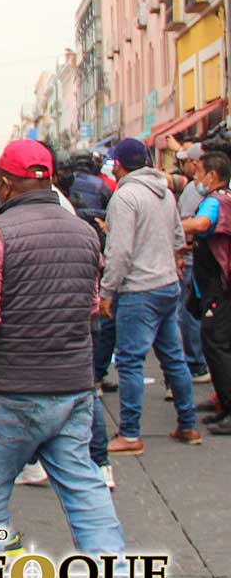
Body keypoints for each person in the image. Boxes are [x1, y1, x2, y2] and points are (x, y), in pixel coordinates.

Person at [0, 140, 140, 578]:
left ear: (6, 183)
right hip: (73, 385)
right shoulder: (85, 232)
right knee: (83, 484)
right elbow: (90, 305)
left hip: (14, 386)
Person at [100, 138, 201, 455]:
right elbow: (178, 239)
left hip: (138, 288)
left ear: (119, 165)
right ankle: (188, 425)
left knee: (130, 361)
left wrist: (106, 290)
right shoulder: (165, 193)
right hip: (167, 284)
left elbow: (120, 252)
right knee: (174, 358)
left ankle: (130, 434)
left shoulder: (125, 196)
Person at [181, 150, 231, 436]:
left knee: (216, 343)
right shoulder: (224, 198)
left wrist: (171, 224)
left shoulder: (214, 201)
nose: (195, 178)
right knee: (216, 342)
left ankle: (228, 407)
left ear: (212, 176)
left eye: (199, 172)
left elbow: (202, 224)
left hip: (218, 287)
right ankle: (223, 403)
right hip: (216, 285)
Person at [175, 142, 212, 384]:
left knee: (189, 311)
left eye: (189, 163)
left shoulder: (200, 194)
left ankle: (196, 362)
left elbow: (195, 225)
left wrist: (173, 231)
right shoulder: (199, 192)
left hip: (194, 261)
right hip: (197, 260)